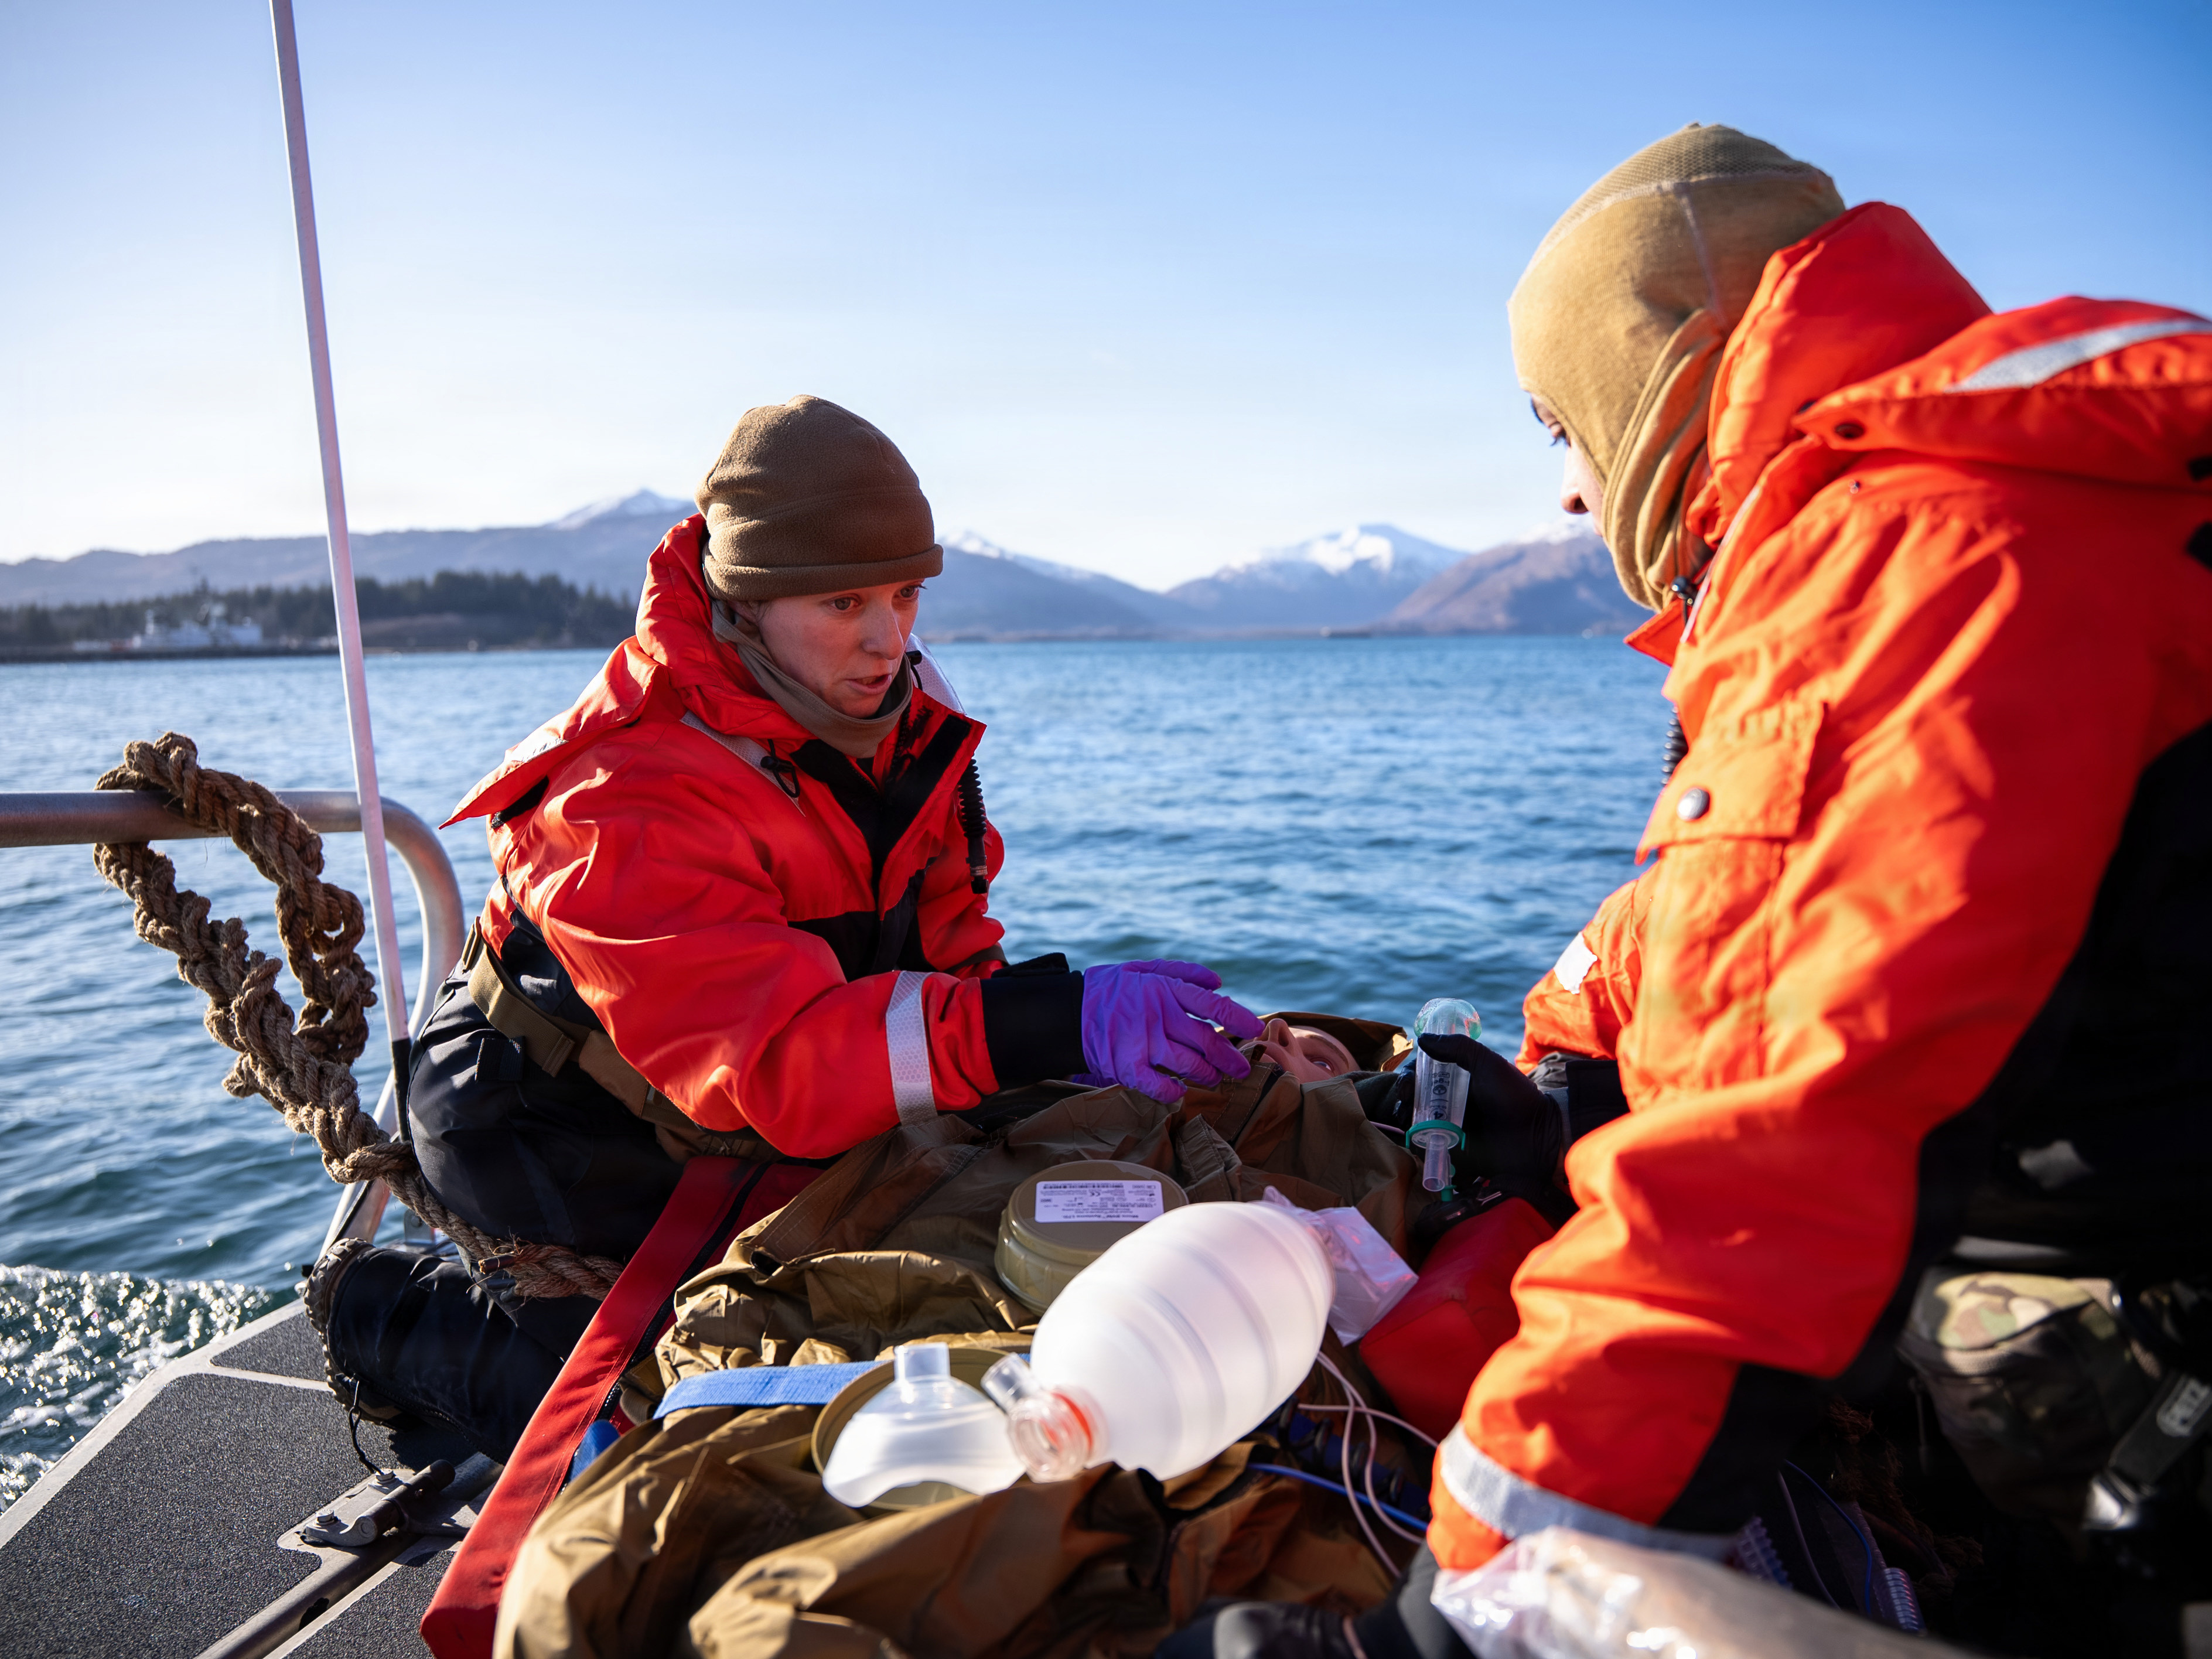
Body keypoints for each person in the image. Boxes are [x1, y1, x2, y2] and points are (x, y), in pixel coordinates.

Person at [1166, 122, 2212, 1657]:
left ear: (1677, 370)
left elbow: (1770, 1164)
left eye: (1559, 428)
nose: (1575, 500)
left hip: (2154, 1286)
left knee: (1961, 1362)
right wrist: (1565, 1074)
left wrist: (1480, 1609)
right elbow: (1831, 910)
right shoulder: (2017, 477)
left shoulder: (1906, 558)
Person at [308, 394, 1260, 1459]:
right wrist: (1052, 1024)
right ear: (747, 602)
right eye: (845, 603)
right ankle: (384, 1314)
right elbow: (774, 1062)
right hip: (558, 1126)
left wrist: (1065, 1044)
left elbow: (944, 939)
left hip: (759, 1098)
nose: (888, 640)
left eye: (904, 596)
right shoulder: (623, 795)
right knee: (672, 1425)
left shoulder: (895, 716)